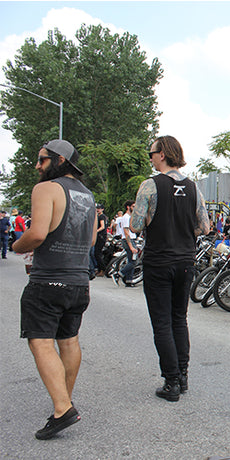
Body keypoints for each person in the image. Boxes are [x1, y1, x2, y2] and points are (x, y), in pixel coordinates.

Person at [13, 139, 96, 440]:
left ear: (59, 159)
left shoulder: (46, 189)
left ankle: (63, 408)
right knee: (69, 340)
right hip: (78, 282)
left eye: (41, 160)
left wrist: (15, 245)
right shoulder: (88, 195)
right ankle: (64, 401)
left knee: (40, 342)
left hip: (48, 281)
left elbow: (36, 234)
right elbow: (90, 243)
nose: (37, 166)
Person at [130, 135, 210, 402]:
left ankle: (171, 381)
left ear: (161, 154)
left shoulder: (150, 186)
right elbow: (204, 227)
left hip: (159, 261)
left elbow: (136, 225)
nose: (150, 157)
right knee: (179, 319)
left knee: (162, 322)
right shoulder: (193, 187)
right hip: (185, 261)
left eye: (151, 153)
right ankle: (183, 375)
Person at [111, 200, 138, 287]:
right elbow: (126, 232)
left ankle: (129, 280)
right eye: (133, 206)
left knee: (131, 260)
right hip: (128, 240)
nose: (134, 208)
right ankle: (119, 273)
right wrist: (131, 246)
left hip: (130, 239)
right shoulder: (126, 217)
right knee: (134, 261)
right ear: (128, 207)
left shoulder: (129, 217)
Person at [93, 204, 108, 276]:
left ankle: (102, 269)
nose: (97, 210)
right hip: (100, 236)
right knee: (97, 253)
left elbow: (102, 226)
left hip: (101, 236)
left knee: (97, 253)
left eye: (99, 208)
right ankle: (100, 269)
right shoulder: (99, 216)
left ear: (102, 209)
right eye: (97, 208)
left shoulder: (101, 216)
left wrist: (96, 231)